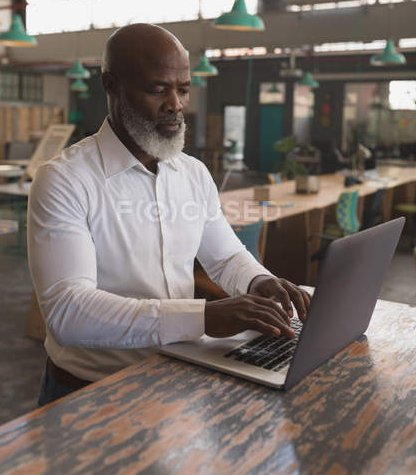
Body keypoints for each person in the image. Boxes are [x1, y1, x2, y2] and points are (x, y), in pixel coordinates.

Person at [28, 23, 310, 406]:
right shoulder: (64, 180)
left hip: (175, 376)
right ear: (111, 85)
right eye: (158, 89)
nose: (175, 104)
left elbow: (225, 256)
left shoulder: (192, 174)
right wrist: (203, 318)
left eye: (183, 89)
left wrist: (258, 281)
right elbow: (67, 311)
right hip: (89, 391)